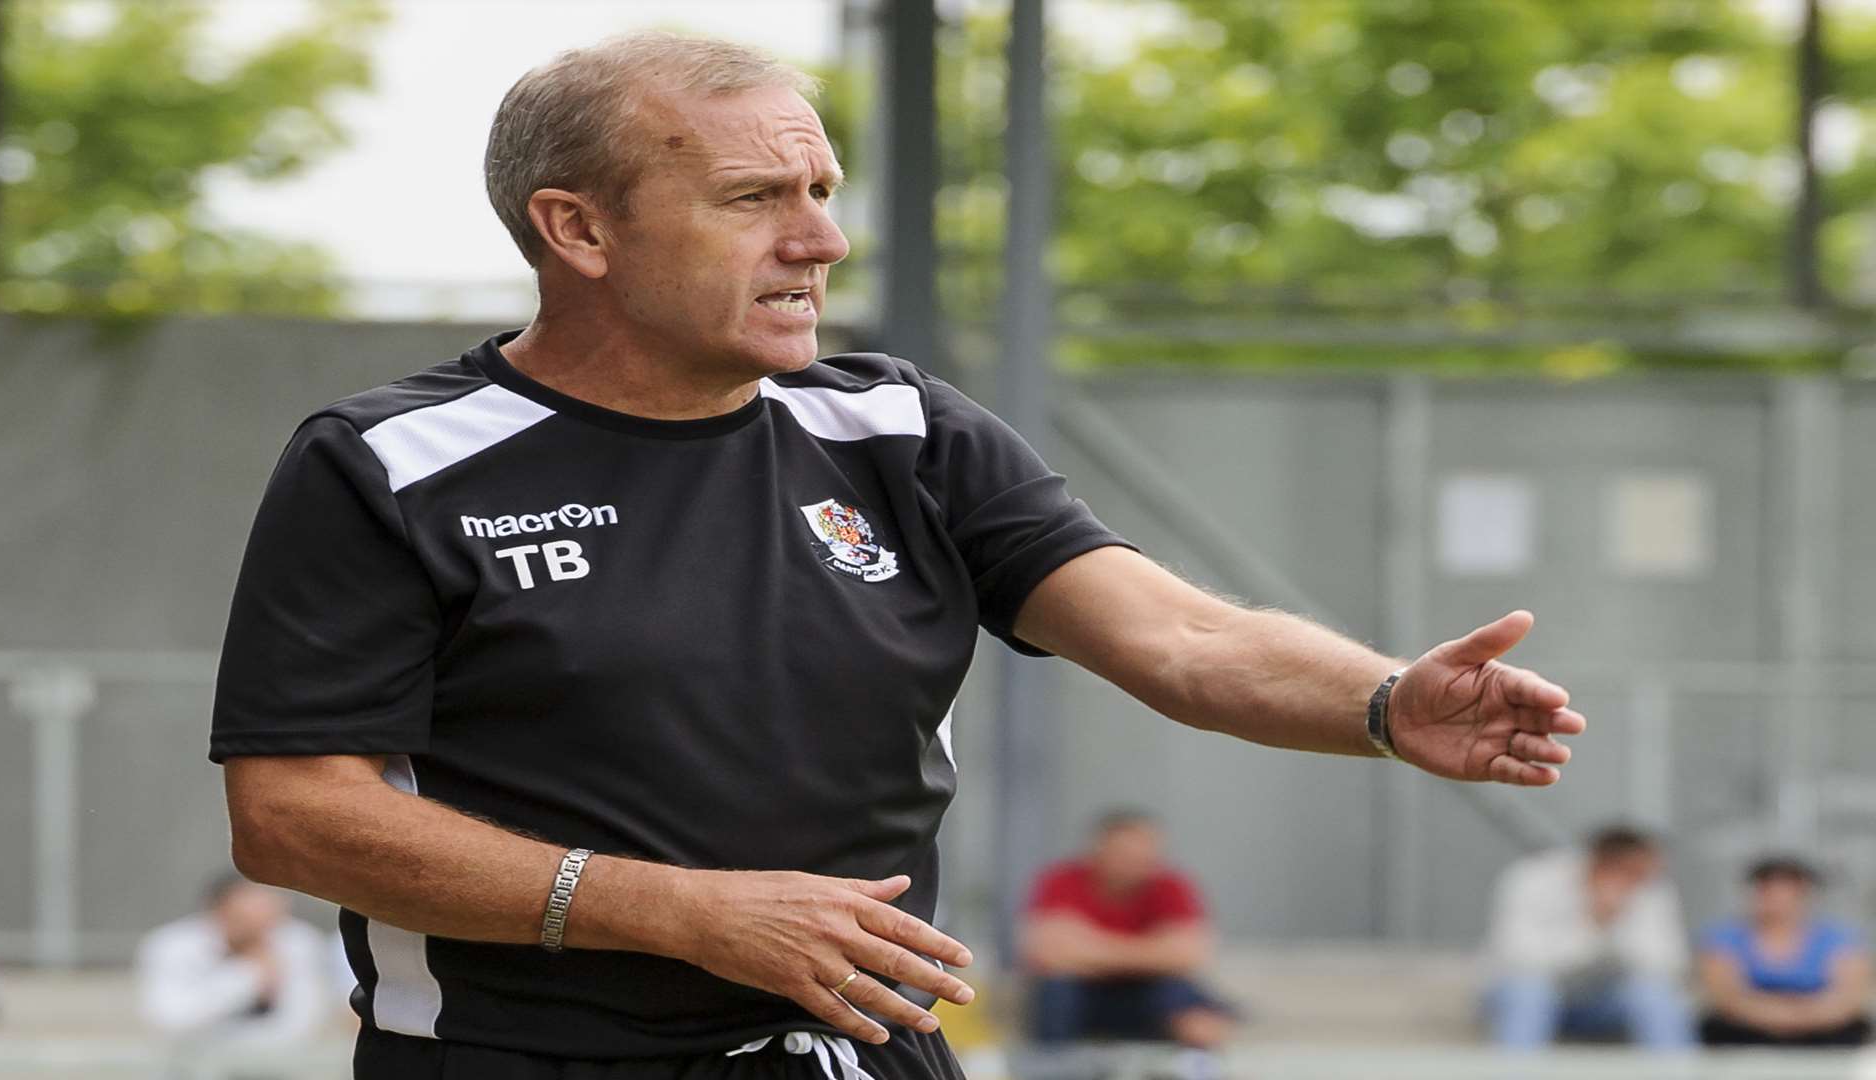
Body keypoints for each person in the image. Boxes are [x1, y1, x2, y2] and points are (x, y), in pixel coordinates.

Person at [211, 31, 1587, 1080]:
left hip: (867, 1052)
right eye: (757, 197)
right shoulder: (388, 464)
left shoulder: (898, 428)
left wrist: (1382, 702)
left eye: (821, 188)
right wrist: (684, 914)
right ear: (578, 229)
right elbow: (297, 815)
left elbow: (1185, 638)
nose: (820, 239)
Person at [1021, 810, 1234, 1049]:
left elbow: (1190, 954)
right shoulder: (1062, 880)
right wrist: (1154, 950)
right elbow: (1047, 952)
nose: (1132, 863)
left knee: (1189, 1007)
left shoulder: (1171, 885)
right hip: (1083, 994)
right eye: (1123, 854)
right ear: (1099, 851)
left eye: (1142, 855)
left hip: (1149, 994)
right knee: (1056, 990)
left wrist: (1090, 947)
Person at [1485, 826, 1692, 1050]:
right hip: (1528, 994)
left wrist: (1613, 926)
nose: (1643, 880)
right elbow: (1518, 955)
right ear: (1602, 863)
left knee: (1655, 997)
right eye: (1634, 872)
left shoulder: (1651, 887)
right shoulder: (1533, 878)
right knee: (1530, 993)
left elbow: (1670, 962)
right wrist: (1593, 928)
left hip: (1604, 1001)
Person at [136, 874, 332, 1046]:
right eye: (247, 916)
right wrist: (248, 976)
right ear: (218, 911)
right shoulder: (173, 945)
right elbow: (170, 1020)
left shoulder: (298, 942)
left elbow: (301, 1025)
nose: (261, 927)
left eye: (273, 916)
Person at [1697, 855, 1871, 1047]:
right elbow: (1727, 997)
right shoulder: (1724, 938)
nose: (1778, 898)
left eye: (1787, 889)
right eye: (1769, 889)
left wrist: (1802, 1017)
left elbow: (1848, 998)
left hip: (1823, 1032)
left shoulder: (1840, 938)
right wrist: (1779, 1017)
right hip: (1746, 1031)